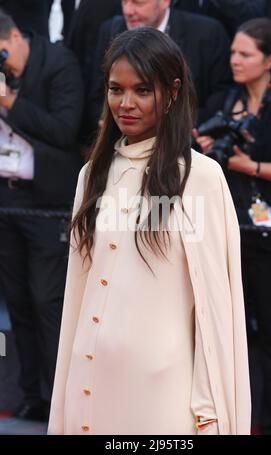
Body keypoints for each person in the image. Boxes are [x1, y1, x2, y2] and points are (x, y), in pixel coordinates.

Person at [48, 27, 251, 435]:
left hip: (163, 400)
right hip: (89, 391)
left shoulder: (201, 178)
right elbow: (77, 295)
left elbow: (216, 314)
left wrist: (209, 413)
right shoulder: (93, 175)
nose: (126, 104)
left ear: (172, 91)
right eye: (115, 89)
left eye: (143, 90)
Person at [193, 18, 271, 434]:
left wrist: (252, 166)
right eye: (233, 52)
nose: (234, 60)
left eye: (245, 54)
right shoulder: (223, 101)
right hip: (226, 230)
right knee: (226, 334)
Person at [0, 11, 83, 420]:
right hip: (5, 198)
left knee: (47, 298)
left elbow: (65, 131)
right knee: (16, 300)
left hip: (47, 200)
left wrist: (9, 101)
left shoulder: (58, 63)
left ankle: (59, 398)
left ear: (14, 36)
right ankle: (31, 393)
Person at [86, 0, 231, 145]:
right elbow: (97, 92)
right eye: (124, 2)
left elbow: (221, 95)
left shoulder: (206, 32)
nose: (128, 11)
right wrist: (111, 122)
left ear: (164, 2)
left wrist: (179, 126)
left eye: (138, 3)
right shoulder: (110, 29)